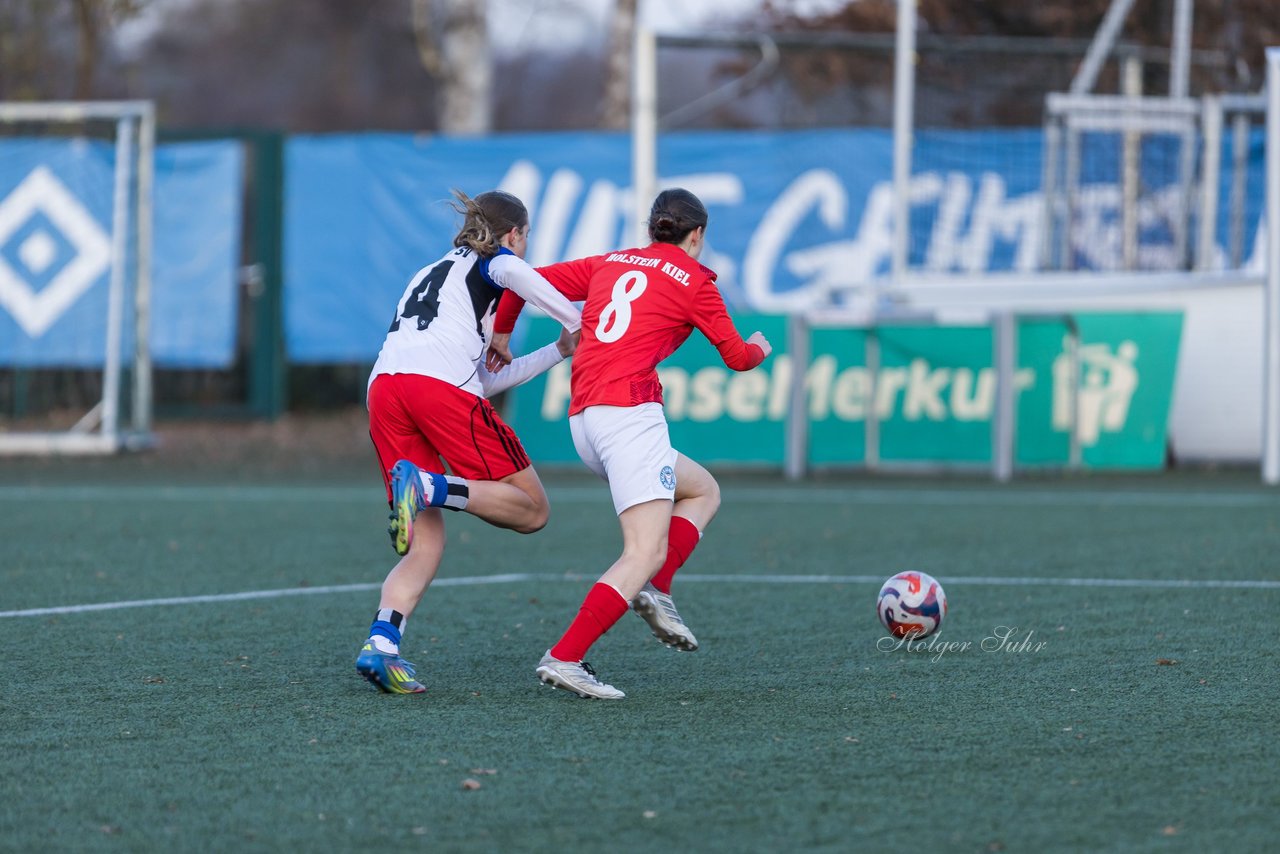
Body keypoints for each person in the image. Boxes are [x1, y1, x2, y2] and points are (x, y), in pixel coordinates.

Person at [489, 187, 772, 699]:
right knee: (642, 550)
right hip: (629, 417)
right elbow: (736, 357)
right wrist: (759, 347)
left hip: (585, 420)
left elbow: (515, 278)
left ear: (651, 229)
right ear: (698, 234)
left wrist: (503, 336)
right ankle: (566, 656)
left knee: (703, 491)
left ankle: (657, 589)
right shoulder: (697, 282)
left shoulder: (610, 262)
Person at [355, 189, 583, 695]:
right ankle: (432, 488)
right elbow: (517, 273)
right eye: (524, 238)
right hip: (434, 388)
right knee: (532, 510)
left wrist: (557, 351)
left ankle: (382, 646)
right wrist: (576, 321)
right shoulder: (494, 262)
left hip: (386, 389)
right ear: (514, 234)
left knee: (427, 542)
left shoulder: (431, 271)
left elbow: (479, 381)